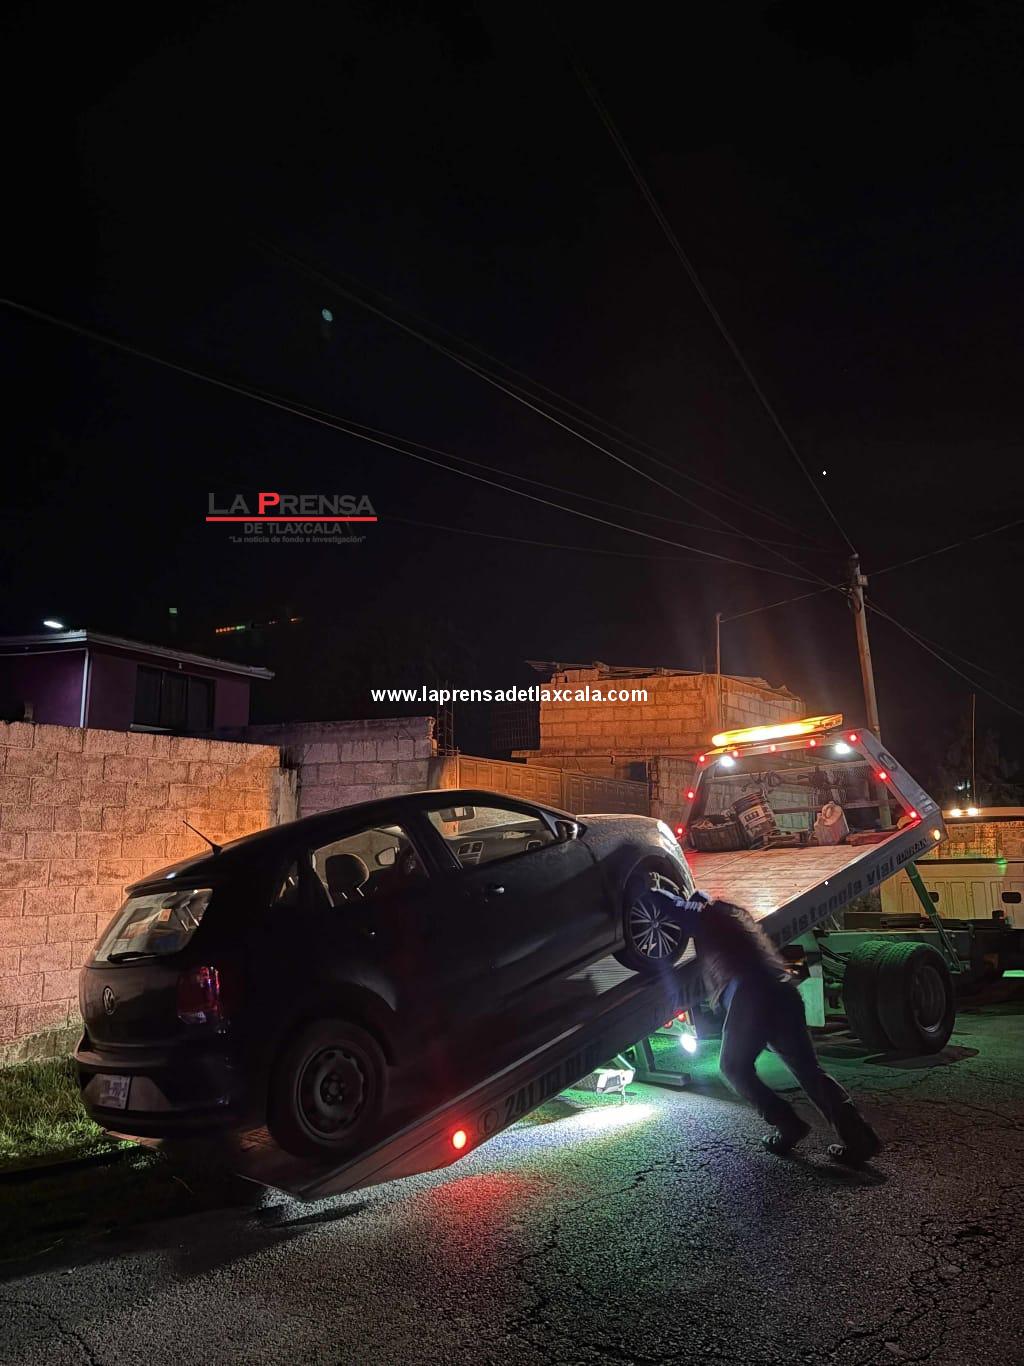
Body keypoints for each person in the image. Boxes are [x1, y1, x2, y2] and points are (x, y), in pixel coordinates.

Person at [641, 887, 881, 1165]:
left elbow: (668, 904)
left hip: (751, 996)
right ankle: (860, 1140)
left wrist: (640, 887)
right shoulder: (736, 917)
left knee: (732, 1068)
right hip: (783, 991)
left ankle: (787, 1123)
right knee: (809, 1071)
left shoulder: (708, 914)